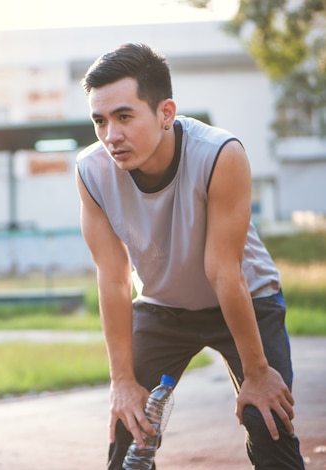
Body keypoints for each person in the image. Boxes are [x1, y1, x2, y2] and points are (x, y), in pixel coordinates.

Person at [75, 43, 305, 469]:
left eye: (124, 116)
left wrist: (256, 374)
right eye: (100, 121)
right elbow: (113, 277)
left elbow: (224, 271)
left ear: (165, 113)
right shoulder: (92, 171)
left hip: (244, 297)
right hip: (164, 308)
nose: (111, 136)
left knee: (267, 419)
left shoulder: (219, 154)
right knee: (128, 426)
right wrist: (122, 380)